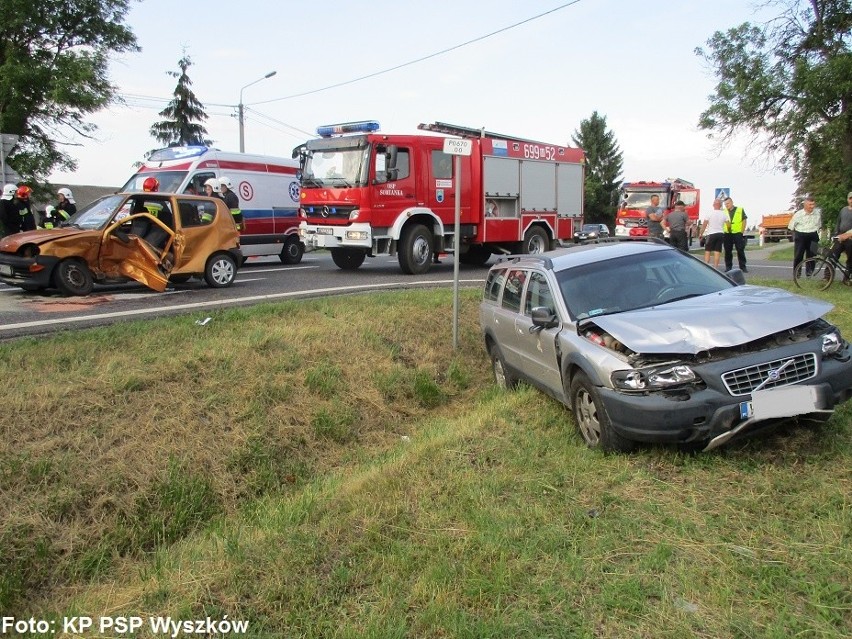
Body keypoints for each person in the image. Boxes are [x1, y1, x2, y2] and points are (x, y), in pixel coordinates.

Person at [788, 194, 822, 276]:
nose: (812, 206)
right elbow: (791, 227)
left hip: (813, 235)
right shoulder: (798, 214)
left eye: (813, 204)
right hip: (801, 235)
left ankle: (809, 274)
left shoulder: (817, 214)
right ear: (805, 205)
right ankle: (797, 274)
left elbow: (819, 226)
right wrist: (796, 236)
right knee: (798, 256)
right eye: (810, 204)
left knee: (812, 256)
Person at [698, 199, 727, 268]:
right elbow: (728, 224)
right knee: (717, 251)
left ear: (713, 205)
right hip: (720, 234)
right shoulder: (724, 214)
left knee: (708, 250)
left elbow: (704, 225)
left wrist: (700, 233)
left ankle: (706, 266)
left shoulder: (709, 213)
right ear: (720, 205)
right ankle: (715, 267)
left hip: (711, 234)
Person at [828, 191, 852, 272]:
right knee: (832, 255)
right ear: (847, 199)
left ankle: (847, 278)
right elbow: (838, 222)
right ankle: (827, 276)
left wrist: (847, 235)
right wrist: (836, 234)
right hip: (840, 237)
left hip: (850, 239)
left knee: (850, 259)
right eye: (850, 198)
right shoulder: (843, 210)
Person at [722, 197, 748, 272]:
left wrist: (741, 232)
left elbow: (744, 221)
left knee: (740, 250)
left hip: (737, 233)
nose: (726, 205)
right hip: (727, 233)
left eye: (728, 203)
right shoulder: (724, 211)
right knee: (727, 251)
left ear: (732, 202)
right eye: (725, 204)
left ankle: (743, 267)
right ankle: (728, 267)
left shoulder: (740, 210)